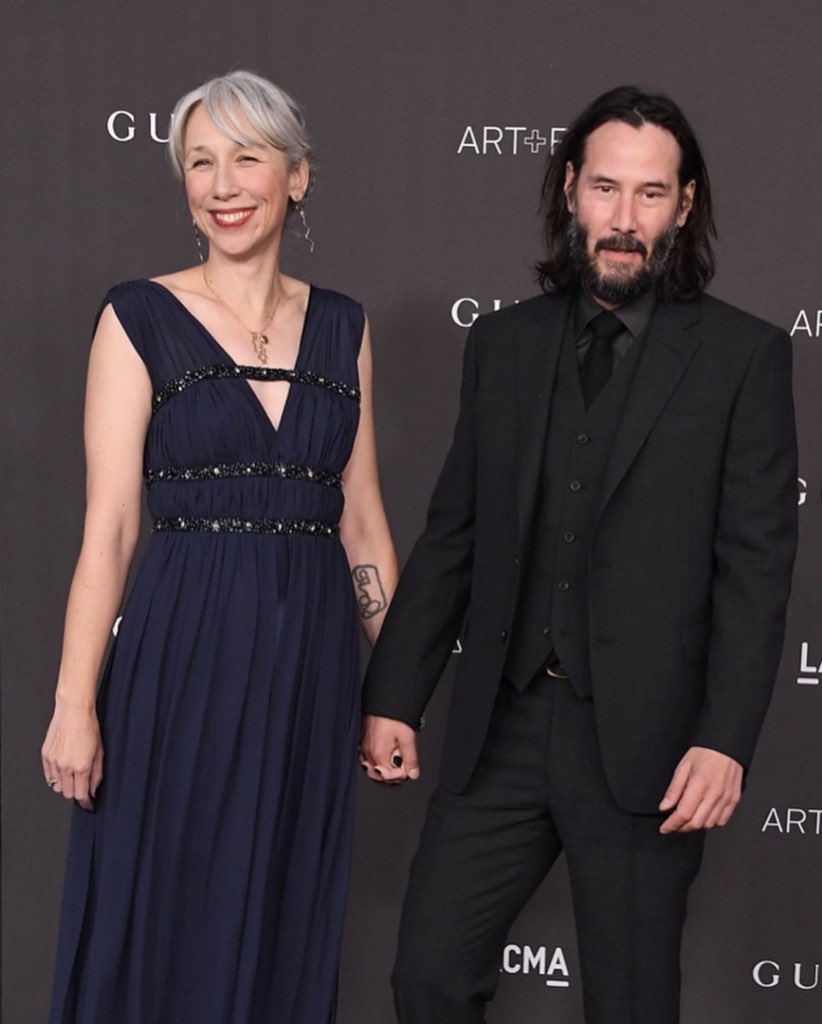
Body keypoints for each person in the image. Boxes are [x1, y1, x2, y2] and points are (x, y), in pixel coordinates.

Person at [360, 85, 798, 1024]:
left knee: (631, 1004)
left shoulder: (744, 358)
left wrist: (724, 738)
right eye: (606, 188)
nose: (625, 219)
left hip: (650, 744)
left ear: (685, 204)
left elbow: (756, 570)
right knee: (428, 978)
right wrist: (395, 693)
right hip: (504, 729)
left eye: (650, 193)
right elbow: (454, 535)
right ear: (570, 189)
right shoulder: (503, 345)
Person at [41, 70, 397, 1023]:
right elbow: (111, 528)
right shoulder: (136, 317)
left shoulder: (344, 326)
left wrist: (397, 690)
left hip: (311, 669)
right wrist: (75, 705)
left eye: (247, 157)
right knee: (163, 908)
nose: (224, 184)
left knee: (282, 910)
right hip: (180, 659)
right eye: (201, 162)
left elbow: (361, 520)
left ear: (298, 176)